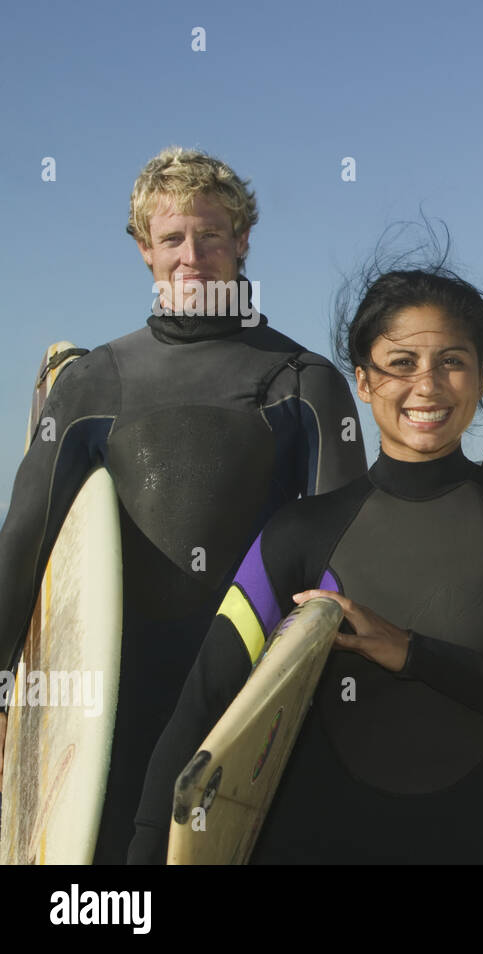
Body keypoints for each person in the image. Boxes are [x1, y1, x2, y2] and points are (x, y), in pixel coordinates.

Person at [129, 261, 483, 864]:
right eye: (400, 364)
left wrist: (409, 651)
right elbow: (202, 706)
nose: (426, 386)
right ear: (363, 380)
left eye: (452, 361)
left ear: (480, 376)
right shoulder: (302, 531)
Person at [0, 147, 366, 863]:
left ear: (242, 241)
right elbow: (24, 546)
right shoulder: (94, 383)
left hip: (244, 703)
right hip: (104, 711)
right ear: (144, 250)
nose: (192, 256)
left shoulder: (302, 382)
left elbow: (339, 570)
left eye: (211, 234)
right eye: (171, 238)